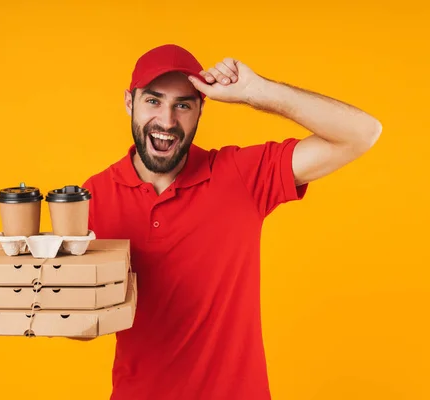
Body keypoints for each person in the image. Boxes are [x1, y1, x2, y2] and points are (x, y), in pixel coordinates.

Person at [80, 44, 382, 400]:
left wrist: (257, 92)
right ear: (130, 102)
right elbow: (83, 315)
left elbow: (362, 133)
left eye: (183, 105)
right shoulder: (92, 195)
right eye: (153, 101)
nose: (167, 121)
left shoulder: (240, 176)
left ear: (200, 110)